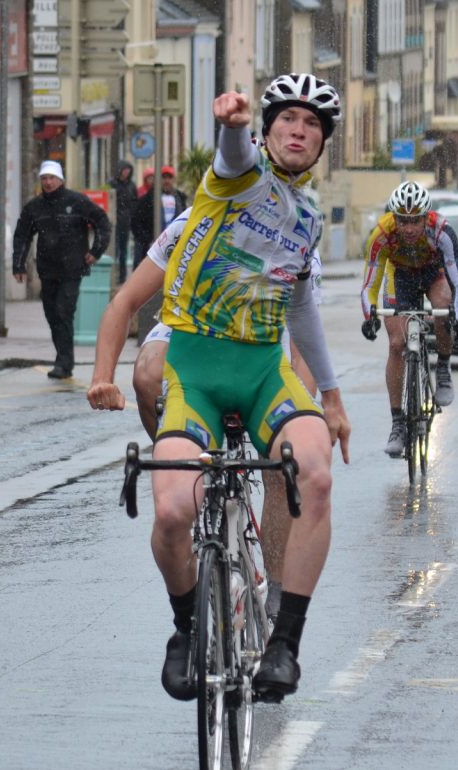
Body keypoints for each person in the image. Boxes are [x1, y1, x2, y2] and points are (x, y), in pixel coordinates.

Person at [92, 72, 350, 703]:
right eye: (286, 119)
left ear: (322, 145)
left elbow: (302, 310)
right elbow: (234, 156)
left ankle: (283, 644)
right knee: (173, 510)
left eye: (312, 124)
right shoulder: (235, 180)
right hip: (196, 372)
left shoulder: (308, 218)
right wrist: (232, 125)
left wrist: (334, 398)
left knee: (313, 473)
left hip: (265, 372)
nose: (298, 129)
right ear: (266, 132)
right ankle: (185, 629)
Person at [88, 208, 336, 623]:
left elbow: (306, 340)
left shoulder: (294, 231)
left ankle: (276, 585)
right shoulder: (192, 223)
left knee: (286, 461)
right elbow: (125, 301)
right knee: (148, 373)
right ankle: (188, 464)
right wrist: (101, 376)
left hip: (263, 339)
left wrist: (297, 417)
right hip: (192, 332)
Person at [359, 180, 458, 457]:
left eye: (415, 221)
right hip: (401, 277)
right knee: (397, 344)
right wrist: (369, 315)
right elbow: (370, 285)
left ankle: (442, 367)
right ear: (393, 217)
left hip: (433, 272)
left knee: (443, 306)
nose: (408, 228)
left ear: (425, 217)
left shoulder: (441, 231)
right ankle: (397, 424)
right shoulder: (381, 235)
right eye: (403, 221)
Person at [12, 160, 111, 380]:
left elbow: (102, 221)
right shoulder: (34, 207)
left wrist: (96, 251)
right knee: (51, 314)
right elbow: (22, 236)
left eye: (52, 178)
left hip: (73, 267)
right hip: (47, 269)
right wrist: (18, 265)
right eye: (44, 178)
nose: (48, 182)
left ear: (60, 180)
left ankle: (64, 362)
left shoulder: (77, 202)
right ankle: (63, 356)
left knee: (63, 311)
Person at [130, 164, 187, 256]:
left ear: (174, 180)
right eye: (164, 177)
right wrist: (147, 240)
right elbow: (136, 222)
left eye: (169, 178)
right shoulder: (147, 199)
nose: (166, 181)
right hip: (153, 249)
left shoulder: (180, 199)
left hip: (175, 248)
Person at [108, 161, 138, 277]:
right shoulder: (112, 184)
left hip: (126, 221)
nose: (127, 172)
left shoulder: (132, 185)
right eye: (125, 169)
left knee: (123, 249)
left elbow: (135, 202)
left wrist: (132, 216)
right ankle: (112, 275)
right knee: (113, 249)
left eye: (128, 170)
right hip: (115, 221)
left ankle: (122, 275)